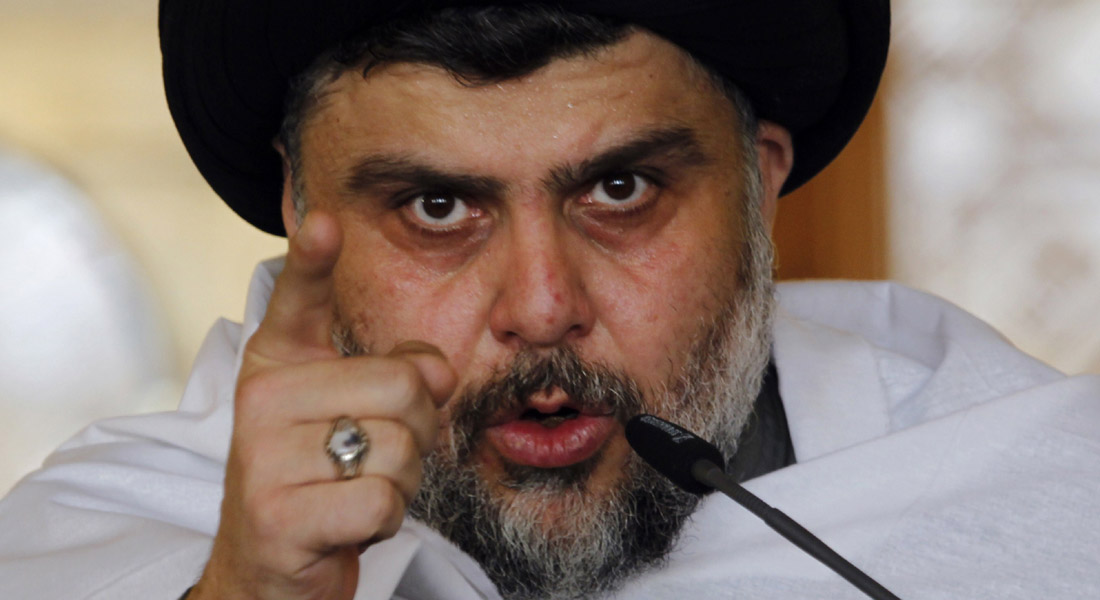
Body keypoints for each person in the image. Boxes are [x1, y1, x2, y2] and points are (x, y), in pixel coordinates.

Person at [2, 2, 1098, 599]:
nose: (539, 306)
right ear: (300, 210)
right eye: (437, 207)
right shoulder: (109, 539)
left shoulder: (1045, 498)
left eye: (620, 191)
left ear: (760, 186)